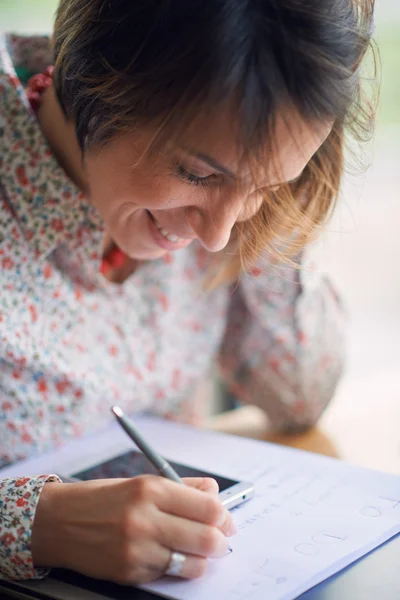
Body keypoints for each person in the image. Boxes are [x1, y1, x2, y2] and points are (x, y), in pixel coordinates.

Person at [0, 0, 375, 586]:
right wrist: (36, 524)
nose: (218, 234)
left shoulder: (233, 204)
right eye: (197, 174)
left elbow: (297, 391)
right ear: (98, 77)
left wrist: (279, 187)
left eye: (268, 185)